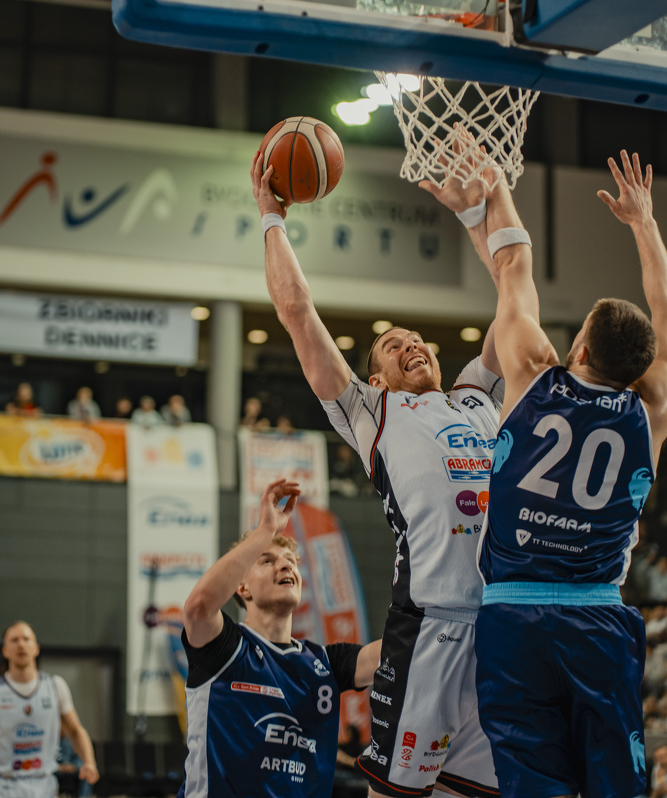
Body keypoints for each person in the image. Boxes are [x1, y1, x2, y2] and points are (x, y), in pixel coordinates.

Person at [251, 151, 503, 798]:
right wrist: (271, 218)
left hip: (504, 624)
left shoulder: (477, 397)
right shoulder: (371, 410)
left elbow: (514, 304)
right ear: (377, 377)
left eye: (417, 339)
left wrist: (480, 215)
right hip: (430, 624)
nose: (410, 343)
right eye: (393, 345)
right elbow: (297, 312)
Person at [466, 150, 667, 798]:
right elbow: (665, 314)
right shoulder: (650, 411)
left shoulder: (530, 373)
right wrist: (645, 226)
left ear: (578, 347)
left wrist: (495, 186)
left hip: (511, 617)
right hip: (596, 620)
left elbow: (513, 270)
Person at [177, 477, 380, 798]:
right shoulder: (225, 649)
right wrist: (266, 531)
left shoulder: (325, 663)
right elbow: (198, 607)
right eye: (267, 560)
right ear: (242, 587)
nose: (285, 565)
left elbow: (395, 655)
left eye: (291, 561)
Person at [0, 621, 99, 798]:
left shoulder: (55, 686)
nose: (21, 644)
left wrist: (89, 762)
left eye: (26, 639)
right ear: (5, 651)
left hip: (44, 784)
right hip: (5, 784)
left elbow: (75, 730)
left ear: (36, 648)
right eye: (14, 640)